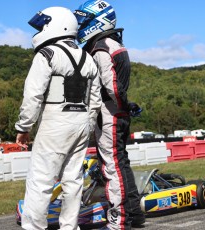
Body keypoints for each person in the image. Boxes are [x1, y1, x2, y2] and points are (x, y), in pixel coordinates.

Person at [15, 6, 101, 230]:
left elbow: (33, 95)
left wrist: (24, 127)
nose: (40, 29)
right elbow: (95, 100)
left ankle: (34, 227)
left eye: (43, 24)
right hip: (81, 121)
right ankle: (69, 227)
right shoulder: (88, 58)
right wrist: (88, 126)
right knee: (73, 180)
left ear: (55, 25)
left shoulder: (47, 55)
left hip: (55, 121)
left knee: (41, 180)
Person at [74, 1, 145, 229]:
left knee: (112, 167)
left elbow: (112, 87)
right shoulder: (113, 44)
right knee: (121, 164)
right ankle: (133, 215)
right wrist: (127, 105)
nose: (81, 24)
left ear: (99, 20)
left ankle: (118, 221)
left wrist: (122, 103)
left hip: (109, 115)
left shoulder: (101, 47)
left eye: (86, 19)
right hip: (116, 113)